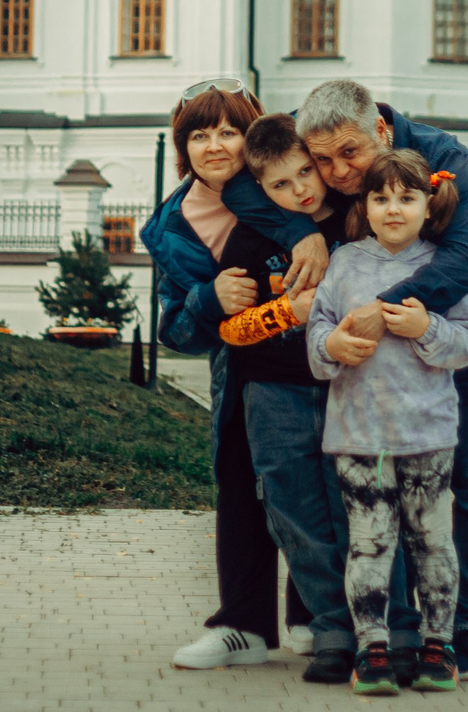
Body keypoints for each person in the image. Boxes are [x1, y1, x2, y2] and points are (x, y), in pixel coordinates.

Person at [223, 77, 468, 681]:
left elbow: (466, 262)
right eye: (322, 160)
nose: (335, 172)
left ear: (381, 131)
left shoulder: (444, 162)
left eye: (348, 154)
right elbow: (242, 184)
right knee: (398, 492)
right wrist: (298, 231)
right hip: (395, 352)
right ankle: (400, 633)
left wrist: (376, 311)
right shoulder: (330, 158)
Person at [138, 80, 329, 671]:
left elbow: (380, 144)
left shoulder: (288, 180)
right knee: (246, 492)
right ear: (182, 149)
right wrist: (208, 298)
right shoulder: (173, 226)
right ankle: (243, 627)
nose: (215, 145)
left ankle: (314, 617)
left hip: (332, 364)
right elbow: (174, 329)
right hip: (248, 375)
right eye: (198, 135)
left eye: (228, 131)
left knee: (321, 491)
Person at [308, 150, 468, 695]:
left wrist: (425, 326)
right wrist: (333, 345)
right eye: (380, 197)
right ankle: (373, 649)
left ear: (428, 204)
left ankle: (438, 645)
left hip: (426, 433)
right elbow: (317, 339)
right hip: (358, 435)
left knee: (432, 539)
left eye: (406, 198)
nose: (392, 209)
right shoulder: (343, 264)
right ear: (363, 204)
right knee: (369, 543)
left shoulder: (442, 268)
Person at [214, 113, 358, 683]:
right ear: (260, 189)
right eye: (280, 184)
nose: (300, 189)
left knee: (353, 514)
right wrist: (285, 312)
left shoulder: (354, 227)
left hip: (345, 389)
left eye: (305, 173)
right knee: (296, 516)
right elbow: (233, 330)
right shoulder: (249, 238)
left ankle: (368, 628)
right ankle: (330, 634)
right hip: (273, 395)